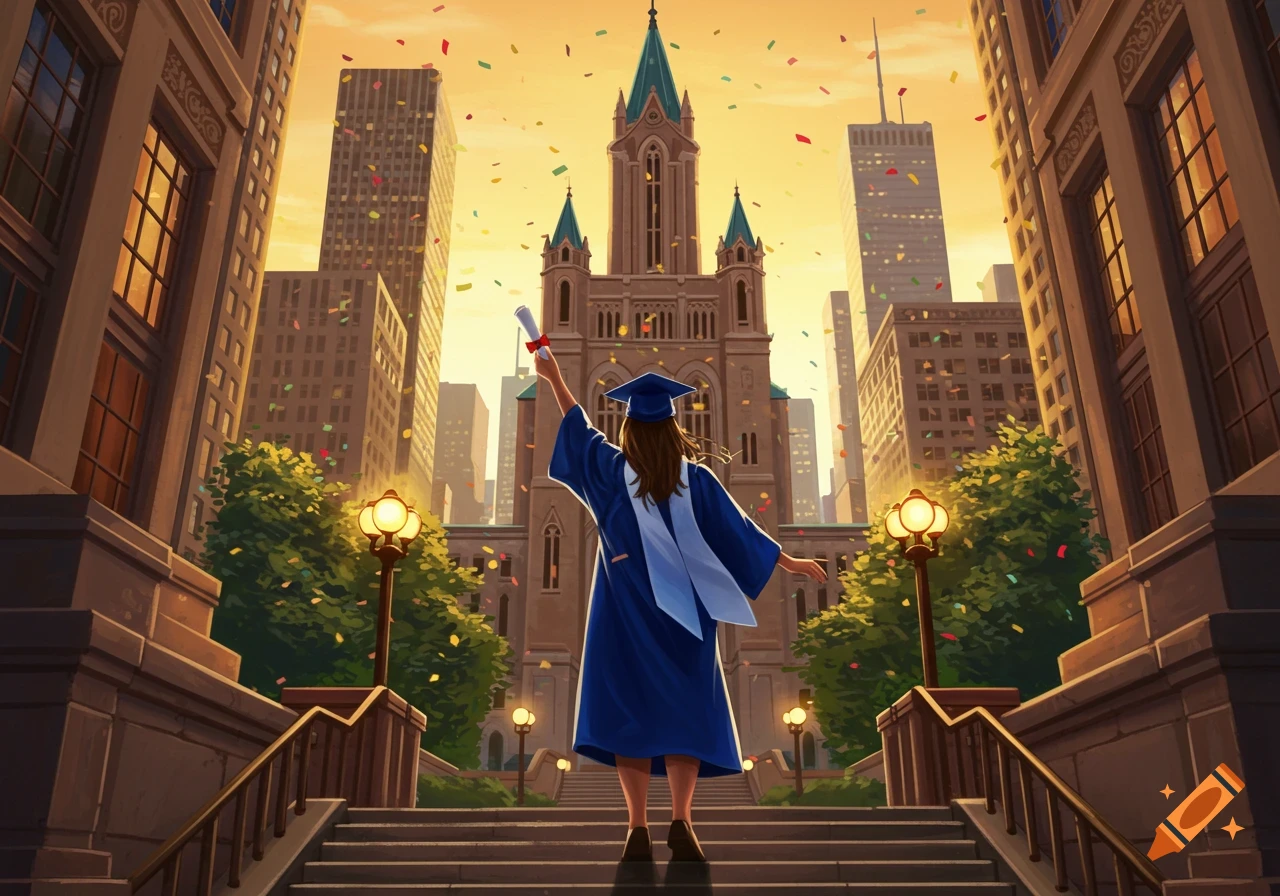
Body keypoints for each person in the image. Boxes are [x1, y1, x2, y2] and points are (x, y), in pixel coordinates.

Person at [534, 348, 826, 863]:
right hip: (685, 613)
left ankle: (636, 827)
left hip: (622, 610)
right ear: (674, 431)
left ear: (628, 431)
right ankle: (683, 820)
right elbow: (741, 534)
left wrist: (555, 376)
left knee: (629, 710)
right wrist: (790, 562)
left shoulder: (609, 471)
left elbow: (577, 427)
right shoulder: (699, 480)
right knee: (686, 707)